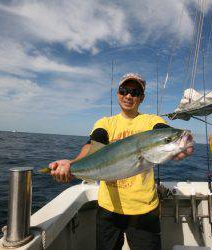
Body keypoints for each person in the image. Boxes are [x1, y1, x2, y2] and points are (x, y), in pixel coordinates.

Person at [49, 73, 193, 250]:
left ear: (142, 97)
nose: (128, 96)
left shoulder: (151, 121)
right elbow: (93, 145)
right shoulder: (106, 123)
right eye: (124, 90)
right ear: (118, 94)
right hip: (108, 209)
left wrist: (179, 143)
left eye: (135, 92)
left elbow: (163, 131)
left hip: (144, 209)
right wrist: (71, 164)